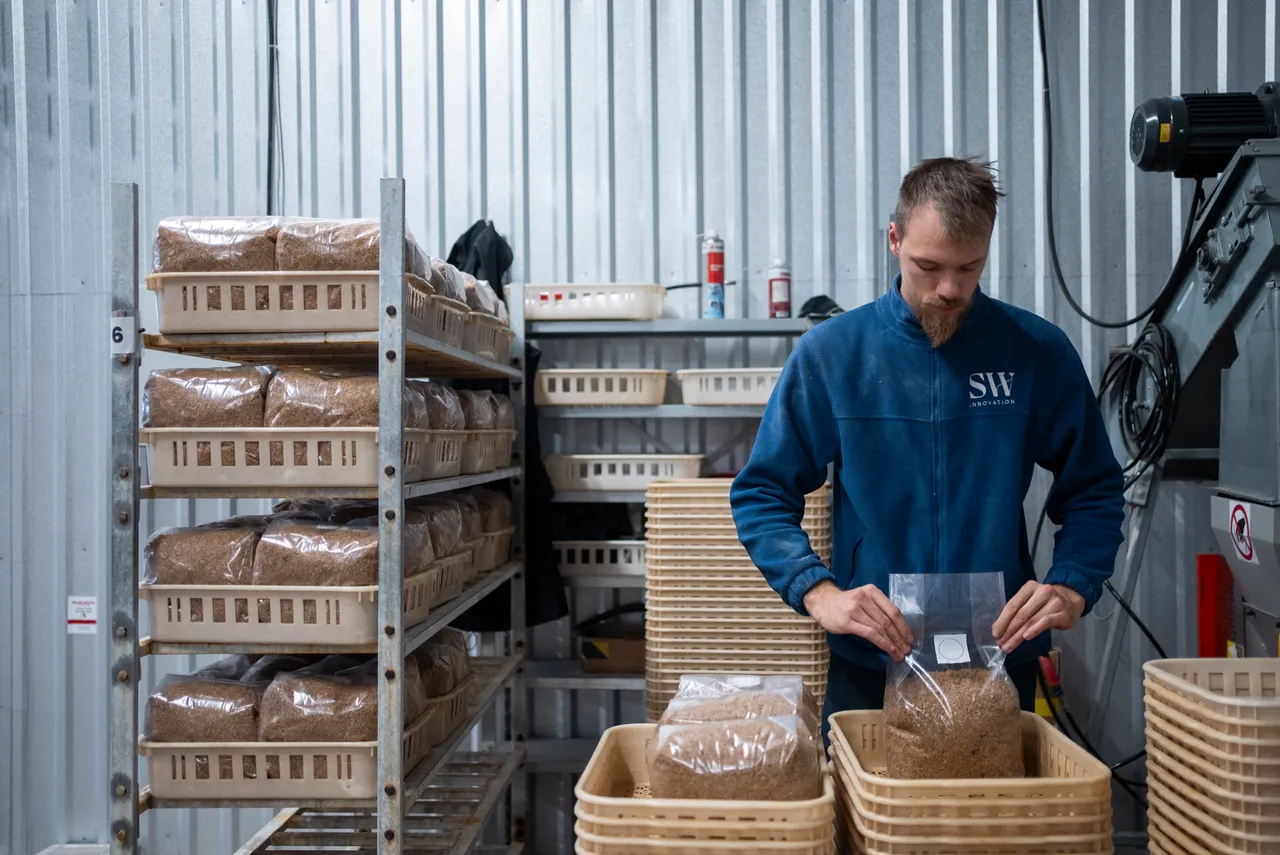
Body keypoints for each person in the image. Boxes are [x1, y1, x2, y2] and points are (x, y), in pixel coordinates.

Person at [730, 156, 1126, 746]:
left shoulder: (1036, 351)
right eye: (929, 266)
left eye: (970, 267)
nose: (949, 288)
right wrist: (817, 591)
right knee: (871, 833)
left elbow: (1093, 487)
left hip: (1000, 664)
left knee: (990, 831)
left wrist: (1073, 584)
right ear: (894, 239)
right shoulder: (834, 355)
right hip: (871, 665)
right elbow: (762, 491)